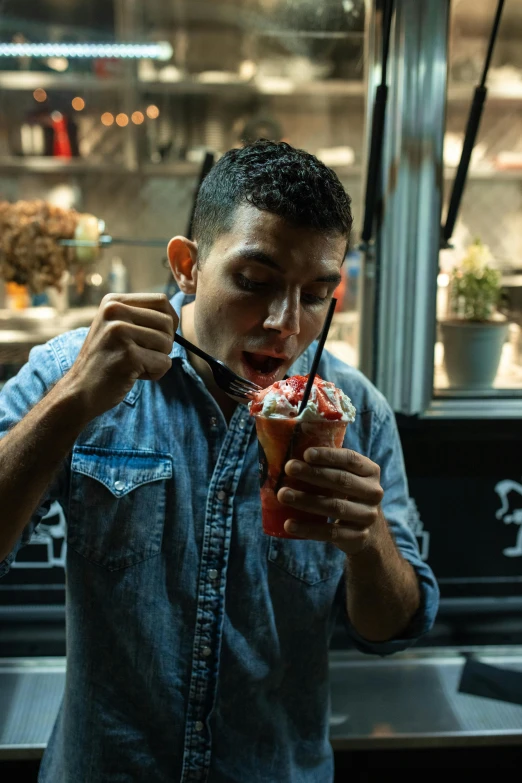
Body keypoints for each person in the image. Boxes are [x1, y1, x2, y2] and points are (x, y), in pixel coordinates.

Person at [0, 141, 439, 782]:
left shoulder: (355, 414)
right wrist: (69, 403)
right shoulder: (79, 370)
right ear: (188, 266)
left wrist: (368, 540)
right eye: (255, 283)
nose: (285, 324)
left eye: (317, 294)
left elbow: (391, 630)